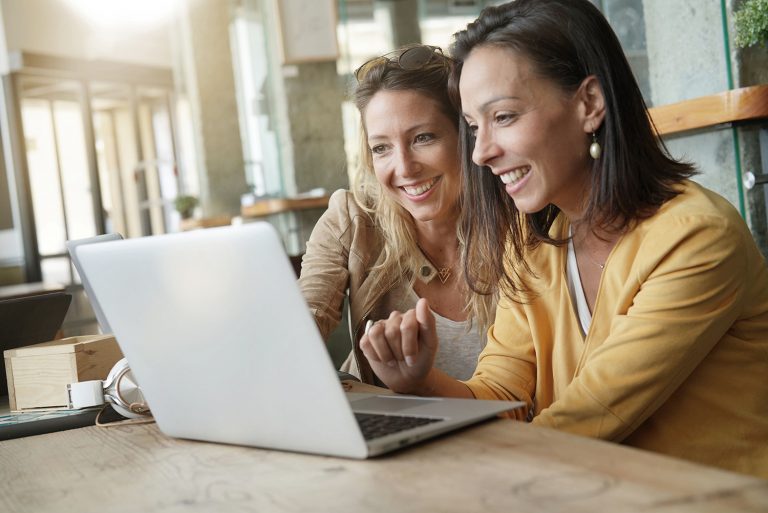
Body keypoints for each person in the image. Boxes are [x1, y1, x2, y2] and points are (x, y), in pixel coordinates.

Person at [360, 0, 768, 478]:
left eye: (505, 117)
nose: (482, 153)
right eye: (473, 127)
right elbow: (502, 396)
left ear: (589, 104)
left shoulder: (697, 238)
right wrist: (421, 381)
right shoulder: (536, 246)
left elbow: (588, 418)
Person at [299, 44, 493, 385]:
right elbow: (302, 321)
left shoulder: (519, 227)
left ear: (466, 134)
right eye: (381, 148)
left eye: (423, 137)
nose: (404, 168)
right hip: (393, 431)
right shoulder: (354, 219)